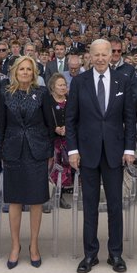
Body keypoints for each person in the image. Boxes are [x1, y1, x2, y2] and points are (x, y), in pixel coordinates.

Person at [65, 39, 136, 273]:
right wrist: (73, 150)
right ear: (90, 56)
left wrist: (129, 149)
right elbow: (71, 120)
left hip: (115, 153)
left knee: (115, 205)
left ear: (111, 55)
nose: (101, 58)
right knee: (90, 206)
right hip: (87, 153)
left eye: (105, 54)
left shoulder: (122, 80)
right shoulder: (79, 82)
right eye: (96, 54)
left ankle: (115, 254)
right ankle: (90, 254)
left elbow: (129, 117)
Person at [0, 55, 54, 268]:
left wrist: (49, 151)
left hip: (36, 151)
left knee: (36, 200)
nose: (25, 72)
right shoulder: (5, 93)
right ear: (15, 71)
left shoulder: (42, 93)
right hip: (13, 150)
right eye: (21, 69)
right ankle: (15, 245)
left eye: (28, 69)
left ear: (34, 73)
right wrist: (1, 152)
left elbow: (50, 124)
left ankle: (34, 245)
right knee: (14, 200)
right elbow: (2, 125)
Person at [45, 74, 73, 205]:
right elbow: (43, 119)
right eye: (60, 85)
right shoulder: (47, 101)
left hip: (66, 140)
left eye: (64, 85)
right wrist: (54, 128)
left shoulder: (71, 100)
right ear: (52, 87)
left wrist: (68, 127)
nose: (63, 87)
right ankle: (47, 198)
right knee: (51, 168)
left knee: (64, 168)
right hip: (51, 140)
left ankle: (59, 196)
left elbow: (76, 118)